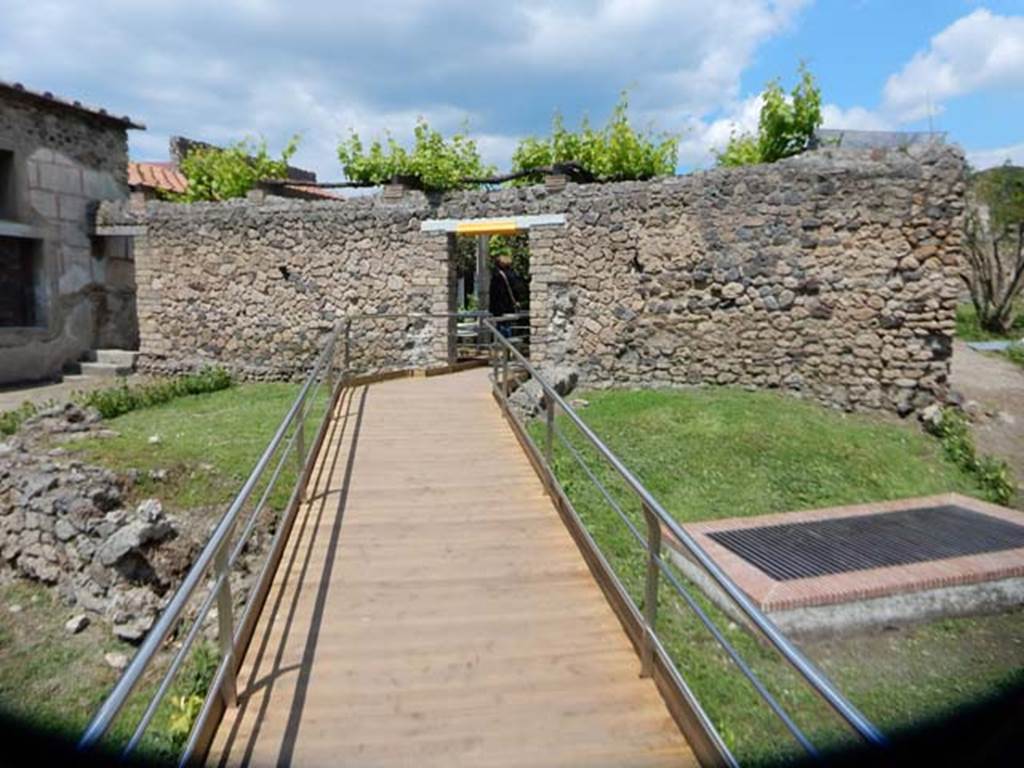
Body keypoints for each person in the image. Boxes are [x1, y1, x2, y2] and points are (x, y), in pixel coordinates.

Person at [488, 255, 523, 338]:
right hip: (510, 306)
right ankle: (508, 344)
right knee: (508, 326)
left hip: (500, 307)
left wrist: (492, 308)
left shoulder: (498, 276)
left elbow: (495, 293)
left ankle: (503, 344)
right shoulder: (513, 274)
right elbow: (517, 290)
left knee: (502, 328)